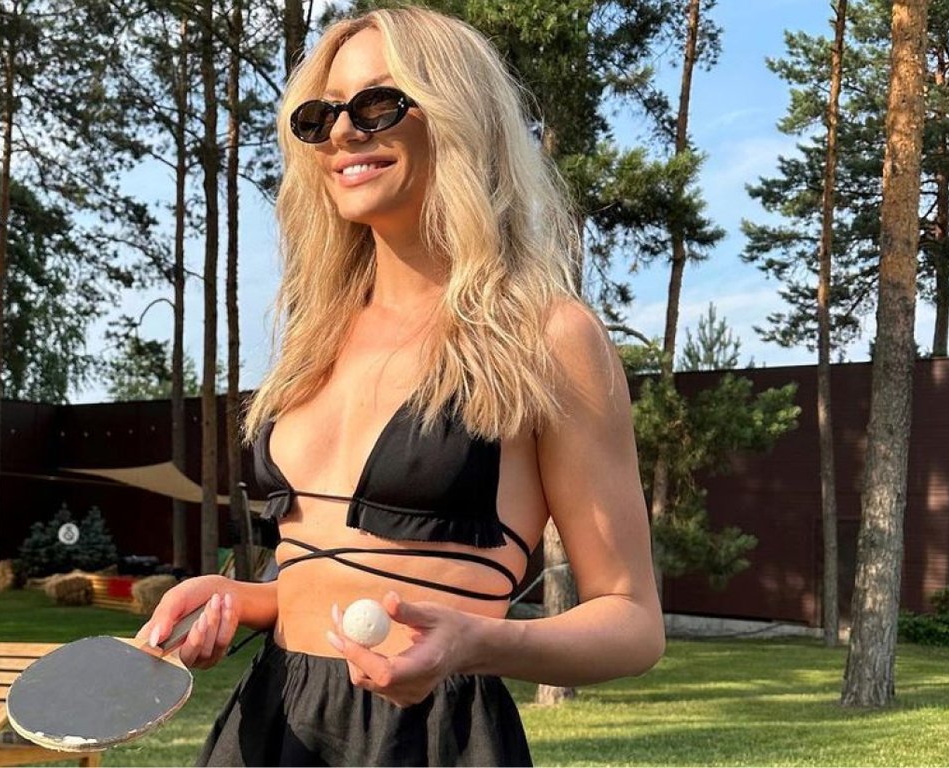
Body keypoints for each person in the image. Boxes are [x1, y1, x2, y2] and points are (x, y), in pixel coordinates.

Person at [138, 6, 664, 765]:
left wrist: (474, 643)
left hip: (428, 738)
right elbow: (327, 570)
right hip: (268, 724)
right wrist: (241, 598)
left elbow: (633, 622)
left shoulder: (548, 336)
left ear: (460, 117)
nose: (343, 133)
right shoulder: (319, 336)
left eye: (378, 104)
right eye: (319, 117)